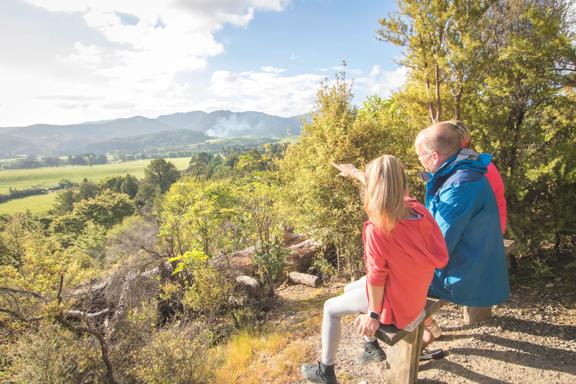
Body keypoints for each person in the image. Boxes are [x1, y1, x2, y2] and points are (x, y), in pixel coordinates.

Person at [301, 155, 448, 384]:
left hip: (399, 307)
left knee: (330, 307)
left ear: (375, 187)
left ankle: (325, 371)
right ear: (402, 183)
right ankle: (371, 347)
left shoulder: (379, 229)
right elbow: (386, 185)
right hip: (413, 292)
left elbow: (378, 278)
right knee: (350, 287)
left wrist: (373, 315)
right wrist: (355, 173)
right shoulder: (419, 211)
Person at [414, 121, 510, 346]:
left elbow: (439, 248)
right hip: (471, 257)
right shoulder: (465, 171)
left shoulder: (459, 185)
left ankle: (420, 339)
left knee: (394, 284)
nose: (421, 163)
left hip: (465, 272)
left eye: (420, 157)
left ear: (434, 157)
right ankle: (428, 328)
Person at [451, 120, 507, 234]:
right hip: (493, 229)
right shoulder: (481, 162)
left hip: (486, 234)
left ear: (463, 142)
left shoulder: (472, 169)